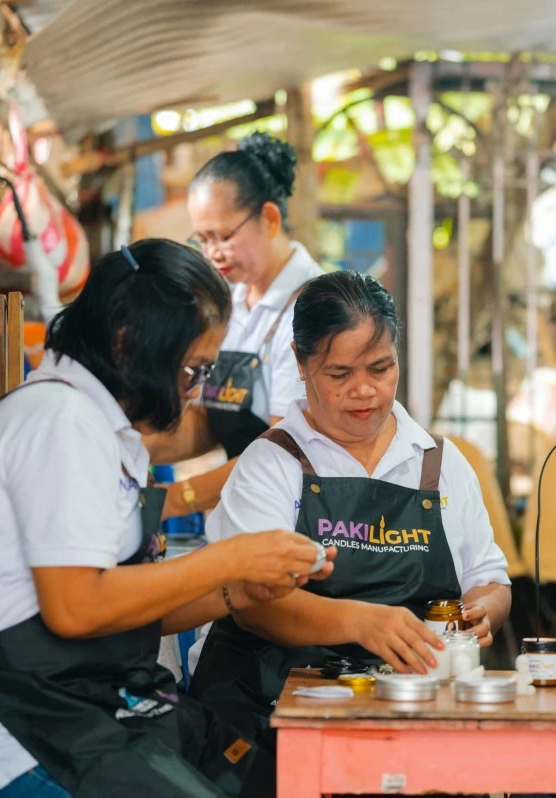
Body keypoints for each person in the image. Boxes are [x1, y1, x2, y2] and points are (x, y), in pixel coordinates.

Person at [0, 239, 335, 798]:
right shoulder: (57, 420)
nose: (194, 392)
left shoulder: (102, 428)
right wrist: (228, 560)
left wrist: (238, 592)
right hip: (11, 727)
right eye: (191, 370)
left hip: (76, 696)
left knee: (259, 780)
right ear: (127, 343)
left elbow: (127, 605)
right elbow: (77, 607)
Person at [190, 270, 512, 793]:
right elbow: (250, 603)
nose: (364, 390)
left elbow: (489, 579)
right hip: (266, 715)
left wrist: (480, 614)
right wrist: (361, 622)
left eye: (380, 368)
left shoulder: (439, 464)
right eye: (339, 373)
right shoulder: (272, 463)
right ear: (300, 363)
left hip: (406, 709)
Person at [153, 132, 325, 520]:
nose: (212, 253)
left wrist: (177, 498)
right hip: (247, 507)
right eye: (202, 239)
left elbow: (284, 447)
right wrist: (131, 448)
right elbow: (208, 420)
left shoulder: (312, 308)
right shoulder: (229, 302)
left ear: (270, 219)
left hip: (300, 516)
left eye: (223, 236)